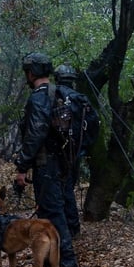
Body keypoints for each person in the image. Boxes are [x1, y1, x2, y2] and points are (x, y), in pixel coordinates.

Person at [13, 52, 79, 267]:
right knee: (54, 211)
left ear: (31, 73)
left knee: (52, 215)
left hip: (47, 166)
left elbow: (35, 134)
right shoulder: (61, 94)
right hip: (64, 164)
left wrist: (22, 166)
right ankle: (56, 263)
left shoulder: (39, 98)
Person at [53, 63, 85, 238]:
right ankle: (70, 226)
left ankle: (70, 228)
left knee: (62, 189)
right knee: (68, 186)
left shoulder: (54, 95)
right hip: (77, 151)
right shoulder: (81, 99)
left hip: (59, 152)